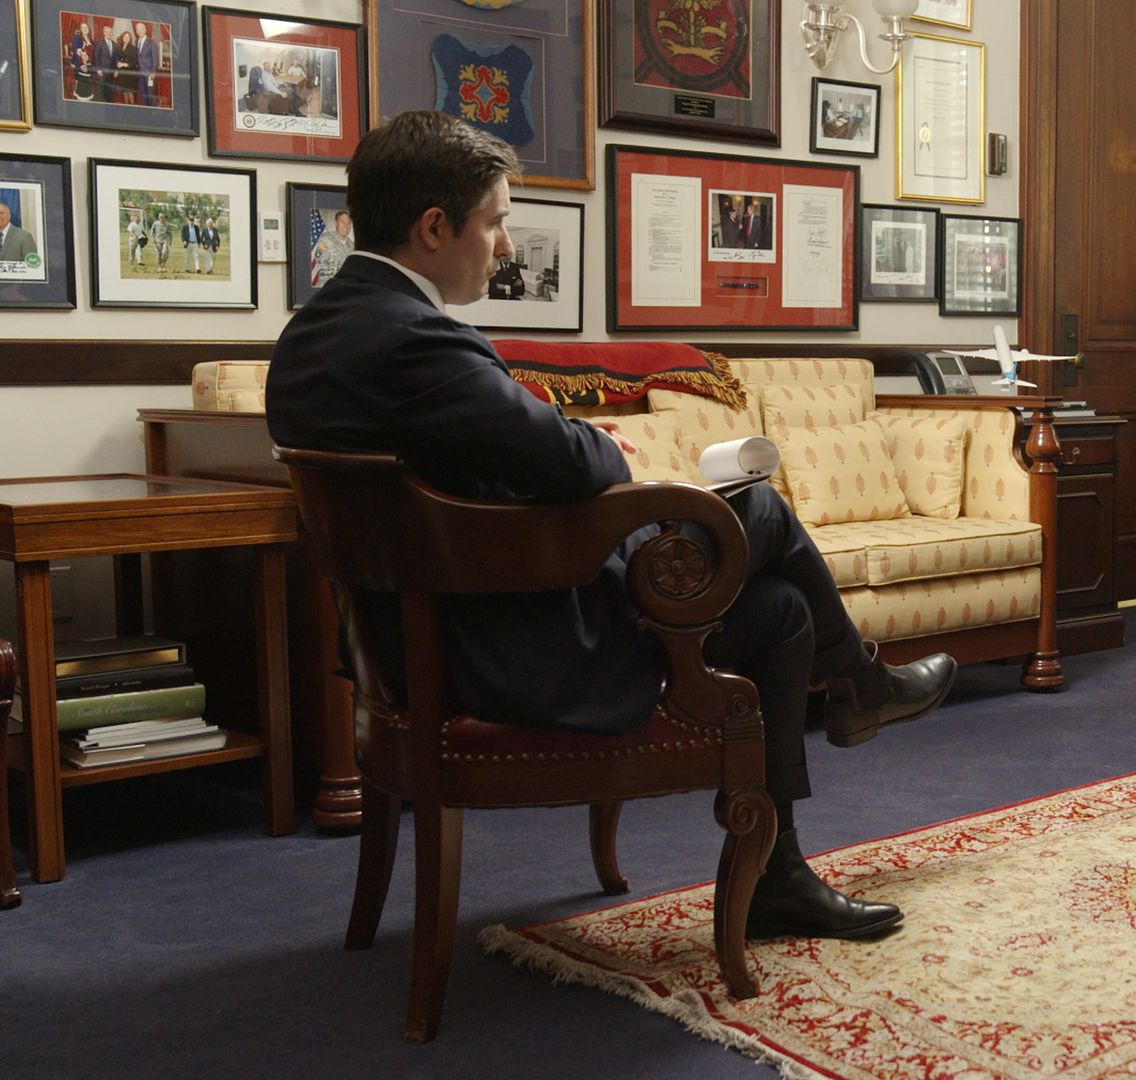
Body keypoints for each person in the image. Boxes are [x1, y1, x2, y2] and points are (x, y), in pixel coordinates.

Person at [267, 111, 958, 941]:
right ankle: (860, 686)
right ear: (434, 227)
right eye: (497, 222)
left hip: (423, 647)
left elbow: (501, 469)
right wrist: (595, 440)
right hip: (511, 652)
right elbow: (584, 467)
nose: (507, 246)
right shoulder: (414, 341)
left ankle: (784, 864)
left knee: (783, 613)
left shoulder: (314, 334)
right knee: (760, 507)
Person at [309, 210, 353, 286]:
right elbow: (316, 260)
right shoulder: (325, 239)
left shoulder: (352, 245)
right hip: (327, 286)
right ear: (336, 223)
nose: (346, 225)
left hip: (345, 286)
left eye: (348, 223)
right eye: (342, 222)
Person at [134, 22, 158, 107]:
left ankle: (152, 112)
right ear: (136, 31)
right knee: (143, 94)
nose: (139, 31)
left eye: (141, 29)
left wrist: (153, 72)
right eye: (137, 29)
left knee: (151, 94)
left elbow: (155, 59)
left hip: (149, 74)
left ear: (145, 30)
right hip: (140, 73)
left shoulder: (151, 43)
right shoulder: (136, 41)